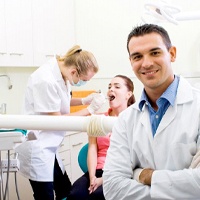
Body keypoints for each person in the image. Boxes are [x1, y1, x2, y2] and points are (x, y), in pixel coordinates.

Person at [103, 23, 200, 200]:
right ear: (131, 62)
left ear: (172, 54)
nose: (146, 63)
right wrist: (181, 184)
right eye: (137, 56)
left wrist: (145, 176)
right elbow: (112, 188)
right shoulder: (126, 119)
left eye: (155, 53)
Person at [15, 45, 105, 200]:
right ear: (74, 72)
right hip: (38, 146)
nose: (84, 83)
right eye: (84, 80)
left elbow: (61, 101)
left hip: (50, 146)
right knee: (45, 196)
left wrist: (84, 100)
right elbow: (58, 121)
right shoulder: (45, 80)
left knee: (65, 190)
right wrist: (89, 110)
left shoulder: (63, 72)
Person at [68, 75, 135, 200]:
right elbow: (92, 147)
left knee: (99, 195)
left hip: (120, 173)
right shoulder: (98, 119)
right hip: (97, 170)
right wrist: (93, 177)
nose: (111, 89)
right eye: (109, 86)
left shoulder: (134, 120)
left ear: (128, 94)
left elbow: (134, 158)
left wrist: (103, 180)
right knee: (75, 195)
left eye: (117, 86)